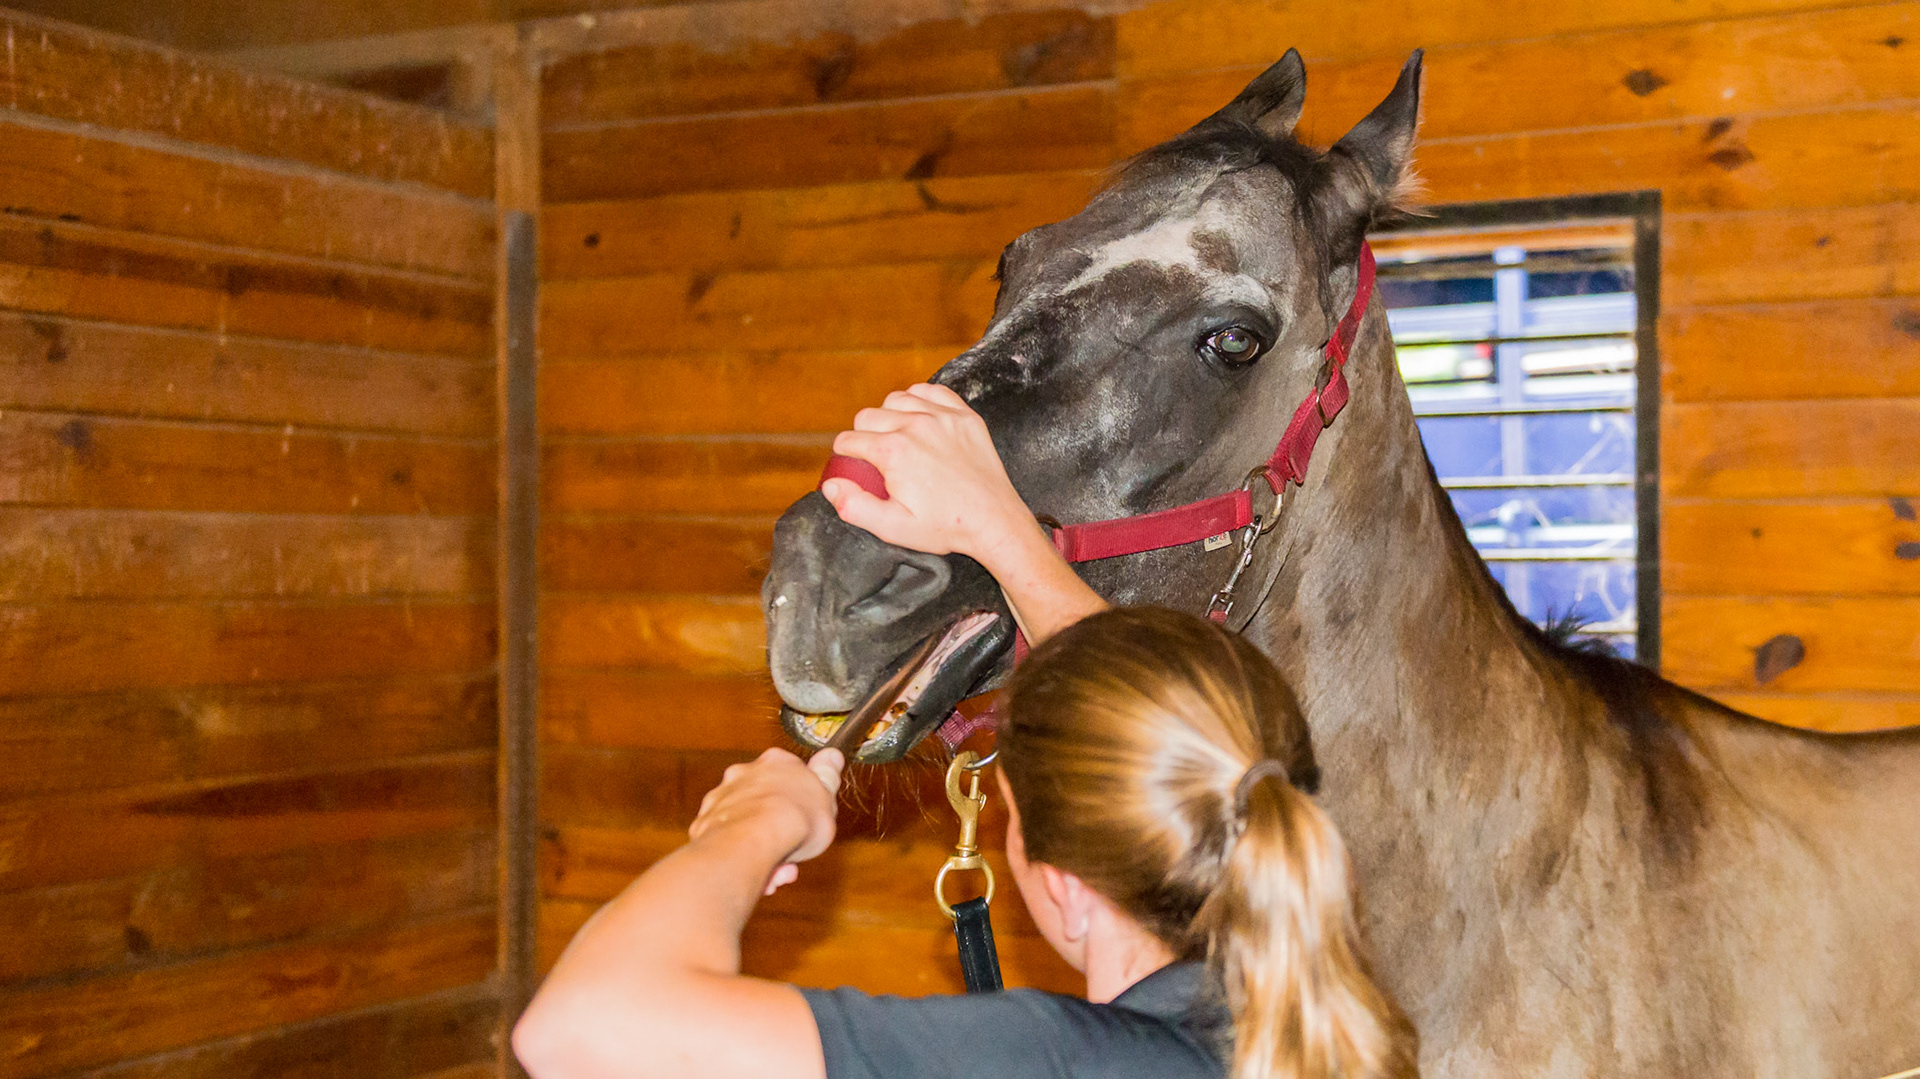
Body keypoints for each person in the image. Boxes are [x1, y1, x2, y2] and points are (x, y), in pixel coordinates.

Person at [512, 386, 1417, 1079]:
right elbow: (1170, 720)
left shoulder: (1066, 1058)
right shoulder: (1330, 1023)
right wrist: (1003, 535)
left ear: (1064, 890)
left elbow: (581, 1028)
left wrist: (747, 829)